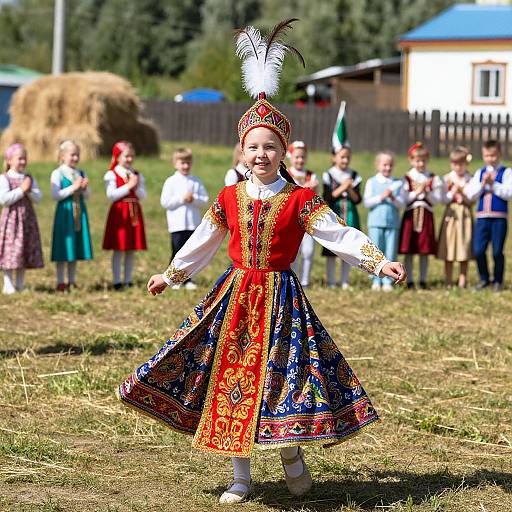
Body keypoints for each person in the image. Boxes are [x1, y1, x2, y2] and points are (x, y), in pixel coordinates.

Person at [117, 20, 406, 505]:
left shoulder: (300, 199)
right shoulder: (228, 196)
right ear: (242, 151)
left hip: (281, 300)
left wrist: (379, 262)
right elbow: (203, 241)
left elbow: (339, 235)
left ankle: (291, 455)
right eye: (253, 146)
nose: (261, 154)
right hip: (234, 299)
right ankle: (241, 477)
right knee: (232, 379)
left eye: (270, 146)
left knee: (283, 378)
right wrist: (170, 274)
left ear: (283, 153)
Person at [466, 140, 512, 292]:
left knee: (497, 251)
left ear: (499, 154)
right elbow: (471, 194)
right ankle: (483, 278)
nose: (490, 158)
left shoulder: (506, 172)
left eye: (493, 155)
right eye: (487, 155)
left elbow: (508, 193)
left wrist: (493, 184)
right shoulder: (480, 173)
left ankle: (498, 280)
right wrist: (482, 184)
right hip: (482, 218)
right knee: (478, 250)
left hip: (499, 218)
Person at [160, 147, 209, 290]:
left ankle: (188, 279)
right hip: (177, 224)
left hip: (193, 224)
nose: (186, 166)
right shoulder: (171, 181)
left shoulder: (196, 181)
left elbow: (204, 200)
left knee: (189, 253)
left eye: (188, 163)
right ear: (175, 163)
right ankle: (173, 279)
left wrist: (193, 198)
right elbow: (165, 202)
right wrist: (182, 198)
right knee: (177, 251)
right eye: (182, 163)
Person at [102, 141, 147, 289]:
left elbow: (142, 195)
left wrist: (137, 185)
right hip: (120, 213)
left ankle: (127, 280)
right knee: (119, 247)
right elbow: (111, 195)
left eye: (131, 156)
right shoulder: (112, 174)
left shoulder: (136, 174)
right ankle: (116, 281)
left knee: (130, 248)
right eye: (126, 156)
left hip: (133, 212)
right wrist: (129, 186)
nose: (129, 159)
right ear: (117, 156)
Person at [399, 142, 443, 289]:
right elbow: (404, 199)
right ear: (411, 160)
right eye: (417, 160)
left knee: (424, 250)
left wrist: (426, 192)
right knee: (409, 249)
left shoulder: (432, 178)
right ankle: (409, 280)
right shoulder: (407, 178)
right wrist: (416, 193)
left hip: (426, 215)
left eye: (423, 160)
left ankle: (423, 280)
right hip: (411, 215)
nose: (420, 164)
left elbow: (437, 200)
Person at [0, 143, 44, 294]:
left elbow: (39, 198)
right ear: (9, 160)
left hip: (27, 220)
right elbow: (4, 199)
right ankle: (7, 283)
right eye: (20, 159)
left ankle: (20, 283)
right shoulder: (4, 178)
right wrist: (21, 190)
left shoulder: (28, 178)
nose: (23, 162)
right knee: (11, 250)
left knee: (24, 249)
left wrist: (29, 190)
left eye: (25, 159)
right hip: (11, 221)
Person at [50, 140, 93, 291]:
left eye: (77, 155)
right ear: (62, 156)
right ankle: (61, 281)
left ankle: (72, 280)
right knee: (64, 244)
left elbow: (88, 196)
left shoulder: (81, 173)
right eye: (72, 155)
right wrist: (73, 188)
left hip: (79, 211)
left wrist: (84, 188)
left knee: (75, 244)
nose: (75, 158)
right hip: (65, 212)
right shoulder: (58, 173)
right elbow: (55, 195)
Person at [322, 145, 362, 289]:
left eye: (347, 157)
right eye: (342, 157)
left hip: (350, 214)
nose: (345, 160)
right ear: (334, 157)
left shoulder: (355, 176)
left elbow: (357, 199)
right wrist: (342, 187)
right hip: (334, 213)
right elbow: (327, 197)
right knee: (332, 247)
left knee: (349, 247)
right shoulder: (329, 175)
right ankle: (331, 280)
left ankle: (345, 280)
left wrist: (349, 188)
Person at [363, 151, 403, 292]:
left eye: (390, 165)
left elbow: (401, 204)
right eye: (384, 165)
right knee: (376, 251)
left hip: (392, 223)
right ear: (378, 165)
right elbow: (367, 202)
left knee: (390, 251)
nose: (387, 168)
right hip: (375, 222)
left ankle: (388, 280)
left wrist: (392, 198)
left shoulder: (397, 183)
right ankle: (375, 279)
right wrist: (381, 196)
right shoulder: (372, 182)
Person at [436, 147, 474, 288]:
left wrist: (462, 194)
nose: (458, 167)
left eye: (461, 164)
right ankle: (449, 280)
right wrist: (452, 192)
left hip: (464, 216)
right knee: (449, 247)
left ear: (466, 164)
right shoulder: (447, 179)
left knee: (464, 247)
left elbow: (472, 200)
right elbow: (443, 200)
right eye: (455, 164)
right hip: (451, 216)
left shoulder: (470, 179)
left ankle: (462, 280)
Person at [287, 140, 319, 287]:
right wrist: (305, 188)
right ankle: (293, 280)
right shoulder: (286, 174)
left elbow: (317, 197)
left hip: (308, 217)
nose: (300, 160)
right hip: (292, 218)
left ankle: (305, 281)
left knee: (308, 251)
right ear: (290, 157)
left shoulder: (312, 176)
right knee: (293, 252)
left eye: (302, 157)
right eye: (297, 157)